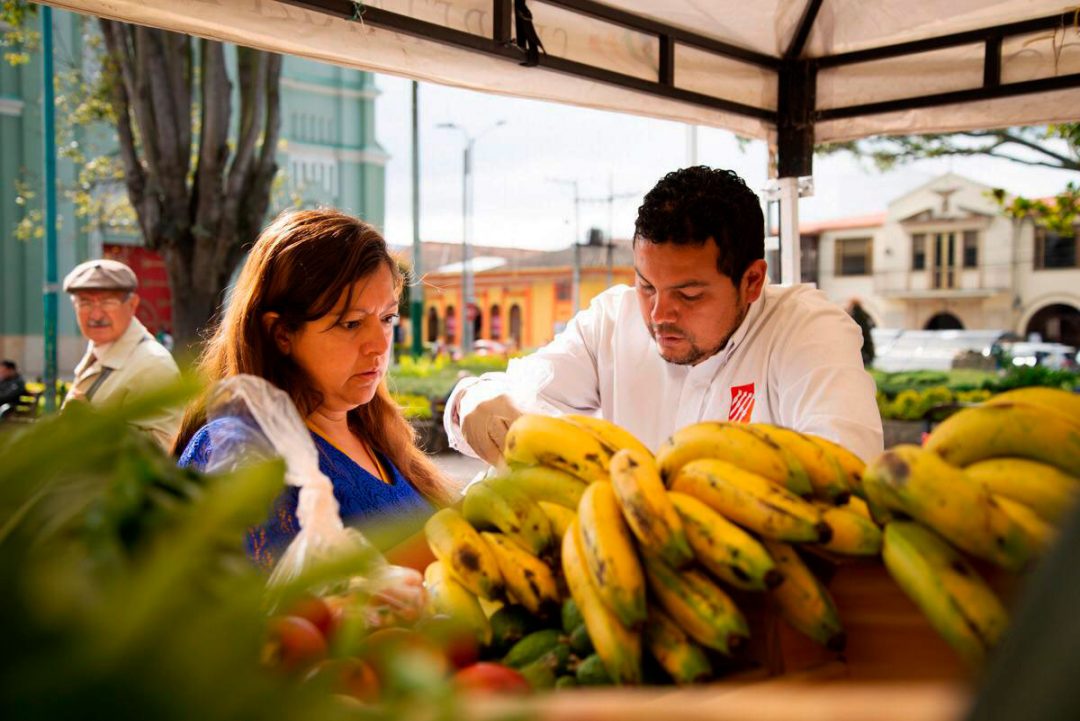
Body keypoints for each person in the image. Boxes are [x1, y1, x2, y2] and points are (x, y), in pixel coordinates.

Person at [444, 166, 884, 465]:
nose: (658, 315)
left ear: (752, 281)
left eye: (688, 295)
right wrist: (477, 398)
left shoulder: (806, 330)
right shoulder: (611, 322)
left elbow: (847, 465)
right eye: (647, 286)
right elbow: (515, 388)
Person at [174, 209, 455, 570]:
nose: (379, 345)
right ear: (281, 334)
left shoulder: (373, 431)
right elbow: (268, 597)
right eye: (351, 323)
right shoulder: (240, 452)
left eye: (387, 319)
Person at [62, 259, 182, 449]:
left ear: (132, 304)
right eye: (85, 302)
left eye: (107, 302)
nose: (96, 315)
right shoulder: (100, 348)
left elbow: (164, 449)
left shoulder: (152, 364)